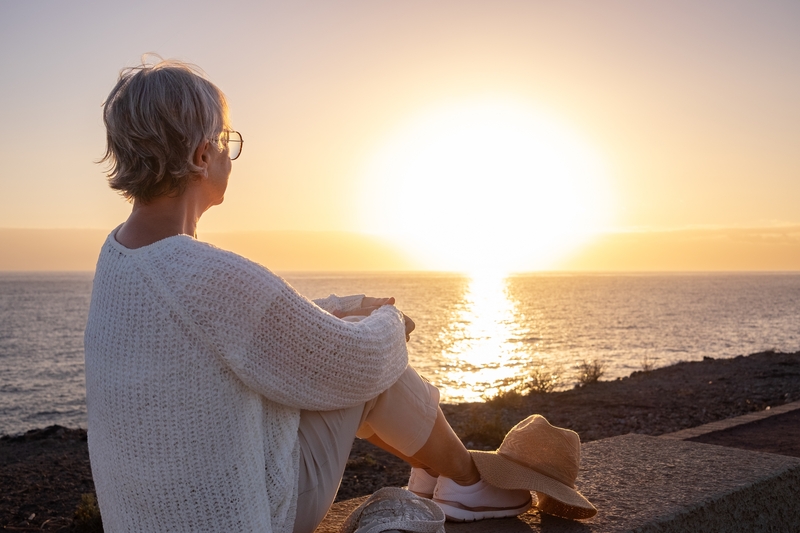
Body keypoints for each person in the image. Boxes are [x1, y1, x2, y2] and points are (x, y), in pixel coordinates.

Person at [84, 57, 531, 533]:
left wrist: (342, 310)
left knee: (345, 345)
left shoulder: (118, 258)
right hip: (247, 516)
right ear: (200, 156)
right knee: (374, 368)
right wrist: (390, 325)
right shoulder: (205, 274)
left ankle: (440, 471)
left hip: (144, 519)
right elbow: (353, 362)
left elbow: (234, 333)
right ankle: (465, 481)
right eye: (226, 141)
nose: (229, 155)